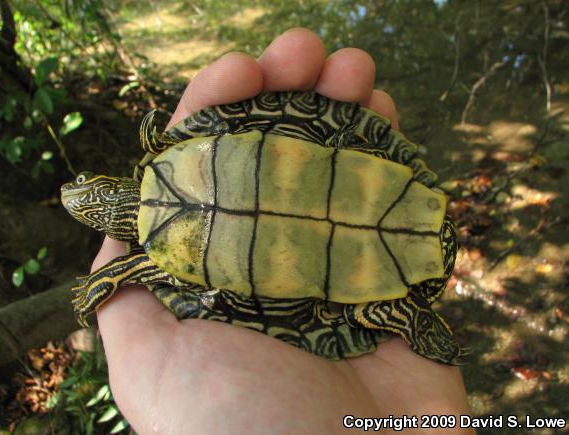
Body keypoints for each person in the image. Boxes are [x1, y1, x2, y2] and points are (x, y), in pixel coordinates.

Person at [91, 28, 474, 434]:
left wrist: (107, 281)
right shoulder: (165, 152)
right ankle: (409, 319)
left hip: (389, 281)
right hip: (390, 213)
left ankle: (410, 321)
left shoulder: (155, 258)